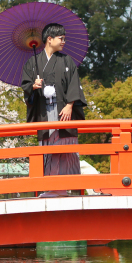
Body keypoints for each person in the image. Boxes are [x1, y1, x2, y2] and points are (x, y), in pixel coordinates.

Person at [20, 23, 87, 195]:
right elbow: (26, 87)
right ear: (49, 39)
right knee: (49, 147)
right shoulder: (32, 63)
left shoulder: (66, 61)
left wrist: (70, 105)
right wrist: (34, 86)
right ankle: (52, 187)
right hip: (44, 112)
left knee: (64, 146)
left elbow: (74, 84)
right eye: (61, 38)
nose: (64, 41)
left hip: (63, 111)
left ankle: (66, 187)